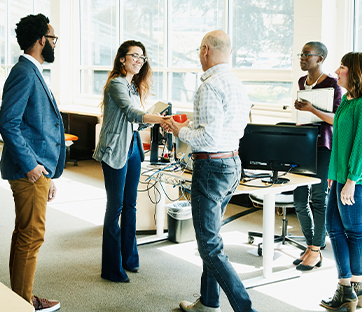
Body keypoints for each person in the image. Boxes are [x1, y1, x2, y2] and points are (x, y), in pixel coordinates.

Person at [163, 30, 257, 312]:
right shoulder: (237, 84)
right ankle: (208, 301)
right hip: (231, 164)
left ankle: (245, 309)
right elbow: (226, 131)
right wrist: (191, 128)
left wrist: (180, 129)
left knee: (209, 246)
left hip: (212, 168)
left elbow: (207, 138)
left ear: (205, 50)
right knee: (210, 235)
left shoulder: (209, 86)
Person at [0, 13, 63, 312]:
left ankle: (19, 297)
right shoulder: (24, 72)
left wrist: (47, 173)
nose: (54, 44)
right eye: (52, 39)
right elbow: (8, 123)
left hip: (38, 169)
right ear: (41, 40)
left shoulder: (32, 70)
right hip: (29, 170)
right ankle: (23, 303)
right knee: (31, 236)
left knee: (24, 233)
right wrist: (33, 167)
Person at [92, 40, 168, 283]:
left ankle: (129, 258)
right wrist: (156, 118)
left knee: (130, 205)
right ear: (122, 58)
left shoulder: (133, 87)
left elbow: (136, 122)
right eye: (134, 56)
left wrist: (158, 118)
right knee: (115, 208)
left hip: (133, 146)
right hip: (116, 150)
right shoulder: (116, 84)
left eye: (142, 57)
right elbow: (130, 112)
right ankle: (112, 269)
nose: (138, 60)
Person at [320, 52, 362, 312]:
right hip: (342, 177)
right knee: (333, 227)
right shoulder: (347, 100)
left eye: (342, 66)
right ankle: (345, 288)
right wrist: (335, 176)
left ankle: (357, 285)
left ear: (355, 72)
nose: (337, 70)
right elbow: (341, 142)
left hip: (356, 179)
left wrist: (351, 180)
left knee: (354, 231)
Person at [292, 42, 342, 271]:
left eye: (306, 54)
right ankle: (311, 244)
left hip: (324, 145)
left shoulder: (333, 84)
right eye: (301, 54)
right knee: (299, 199)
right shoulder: (302, 82)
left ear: (320, 59)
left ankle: (315, 248)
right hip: (304, 144)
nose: (302, 58)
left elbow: (336, 120)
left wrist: (311, 109)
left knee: (319, 198)